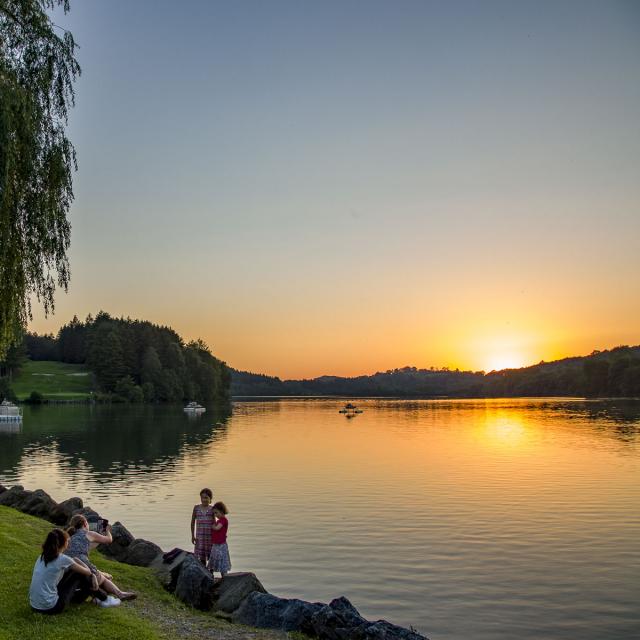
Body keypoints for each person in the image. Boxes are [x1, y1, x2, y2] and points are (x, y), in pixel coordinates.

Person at [29, 528, 120, 614]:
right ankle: (105, 599)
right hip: (52, 607)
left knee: (73, 573)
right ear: (63, 543)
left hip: (35, 606)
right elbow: (87, 572)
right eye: (68, 541)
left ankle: (97, 598)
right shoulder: (63, 559)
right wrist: (80, 562)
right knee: (79, 574)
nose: (68, 543)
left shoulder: (42, 556)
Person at [66, 515, 137, 601]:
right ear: (85, 524)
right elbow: (109, 540)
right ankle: (120, 594)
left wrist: (100, 534)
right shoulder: (89, 533)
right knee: (104, 578)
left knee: (101, 575)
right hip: (83, 565)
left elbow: (88, 546)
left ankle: (102, 582)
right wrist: (107, 531)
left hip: (69, 569)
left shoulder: (69, 537)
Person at [191, 488, 214, 565]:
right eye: (202, 497)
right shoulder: (196, 508)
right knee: (202, 559)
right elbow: (192, 522)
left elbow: (215, 523)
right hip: (200, 538)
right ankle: (203, 574)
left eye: (206, 497)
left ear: (210, 499)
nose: (204, 500)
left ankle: (211, 574)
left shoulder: (212, 509)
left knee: (211, 557)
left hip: (210, 538)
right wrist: (192, 536)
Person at [208, 501, 231, 578]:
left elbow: (218, 528)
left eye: (216, 513)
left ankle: (224, 576)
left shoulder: (223, 520)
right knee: (215, 557)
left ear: (221, 511)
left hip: (221, 544)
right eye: (214, 513)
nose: (215, 515)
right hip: (216, 544)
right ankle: (212, 574)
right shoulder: (219, 520)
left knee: (222, 559)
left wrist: (212, 526)